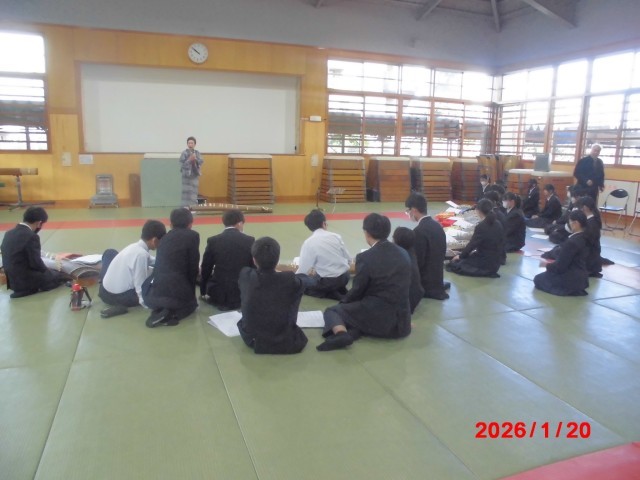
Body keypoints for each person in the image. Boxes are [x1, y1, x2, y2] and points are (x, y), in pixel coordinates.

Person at [317, 213, 411, 352]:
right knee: (357, 312)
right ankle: (353, 332)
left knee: (332, 311)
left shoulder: (366, 257)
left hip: (378, 316)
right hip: (402, 321)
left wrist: (343, 302)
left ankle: (341, 334)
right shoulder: (403, 252)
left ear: (367, 233)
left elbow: (358, 289)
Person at [237, 237, 309, 355]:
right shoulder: (289, 279)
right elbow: (303, 283)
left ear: (254, 260)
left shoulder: (246, 275)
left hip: (253, 339)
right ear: (277, 259)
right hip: (285, 339)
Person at [143, 208, 200, 327]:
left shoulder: (164, 238)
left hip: (154, 290)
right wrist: (191, 294)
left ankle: (160, 310)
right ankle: (171, 315)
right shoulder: (192, 235)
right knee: (191, 306)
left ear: (171, 224)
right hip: (176, 286)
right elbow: (193, 267)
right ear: (190, 223)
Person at [99, 220, 167, 317]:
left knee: (110, 253)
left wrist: (165, 261)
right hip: (119, 297)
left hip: (103, 291)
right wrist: (145, 303)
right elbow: (140, 286)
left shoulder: (134, 247)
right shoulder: (141, 255)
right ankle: (120, 305)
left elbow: (151, 260)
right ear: (155, 240)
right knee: (156, 280)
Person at [0, 206, 67, 298]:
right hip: (25, 281)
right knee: (59, 276)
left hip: (12, 281)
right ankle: (34, 287)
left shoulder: (9, 233)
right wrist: (49, 272)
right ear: (39, 223)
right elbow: (36, 263)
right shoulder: (31, 236)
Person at [200, 209, 255, 311]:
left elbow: (206, 268)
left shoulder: (213, 241)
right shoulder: (250, 240)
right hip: (241, 293)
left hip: (218, 294)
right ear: (239, 223)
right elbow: (253, 267)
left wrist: (203, 291)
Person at [295, 209, 351, 301]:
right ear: (324, 223)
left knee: (304, 285)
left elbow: (303, 270)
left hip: (328, 282)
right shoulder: (336, 236)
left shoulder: (309, 243)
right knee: (327, 279)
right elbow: (348, 258)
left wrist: (296, 280)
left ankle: (331, 294)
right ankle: (339, 290)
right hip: (345, 277)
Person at [404, 192, 450, 300]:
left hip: (426, 284)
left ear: (413, 210)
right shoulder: (437, 226)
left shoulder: (419, 231)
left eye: (408, 211)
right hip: (438, 277)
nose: (408, 214)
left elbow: (418, 262)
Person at [533, 210, 590, 296]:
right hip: (583, 278)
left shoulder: (572, 242)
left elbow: (560, 266)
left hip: (571, 278)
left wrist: (546, 265)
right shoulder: (586, 238)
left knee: (538, 279)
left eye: (570, 222)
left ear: (576, 223)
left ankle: (568, 289)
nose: (569, 224)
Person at [446, 199, 504, 278]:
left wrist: (460, 256)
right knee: (464, 259)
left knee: (455, 264)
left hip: (486, 263)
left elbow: (472, 245)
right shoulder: (498, 223)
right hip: (496, 262)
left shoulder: (482, 226)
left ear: (478, 211)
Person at [392, 226, 424, 314]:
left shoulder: (398, 258)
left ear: (396, 241)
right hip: (416, 296)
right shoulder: (411, 253)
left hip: (405, 303)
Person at [575, 196, 603, 278]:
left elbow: (587, 242)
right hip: (590, 253)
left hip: (590, 257)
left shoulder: (592, 223)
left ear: (585, 207)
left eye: (580, 207)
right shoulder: (590, 220)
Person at [179, 136, 204, 207]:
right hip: (186, 176)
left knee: (193, 192)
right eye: (189, 143)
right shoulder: (184, 153)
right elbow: (181, 164)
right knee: (186, 192)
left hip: (194, 175)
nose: (190, 144)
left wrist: (195, 159)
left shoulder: (197, 153)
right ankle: (185, 207)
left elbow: (201, 161)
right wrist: (189, 160)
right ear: (187, 144)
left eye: (192, 143)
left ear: (194, 144)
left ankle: (193, 207)